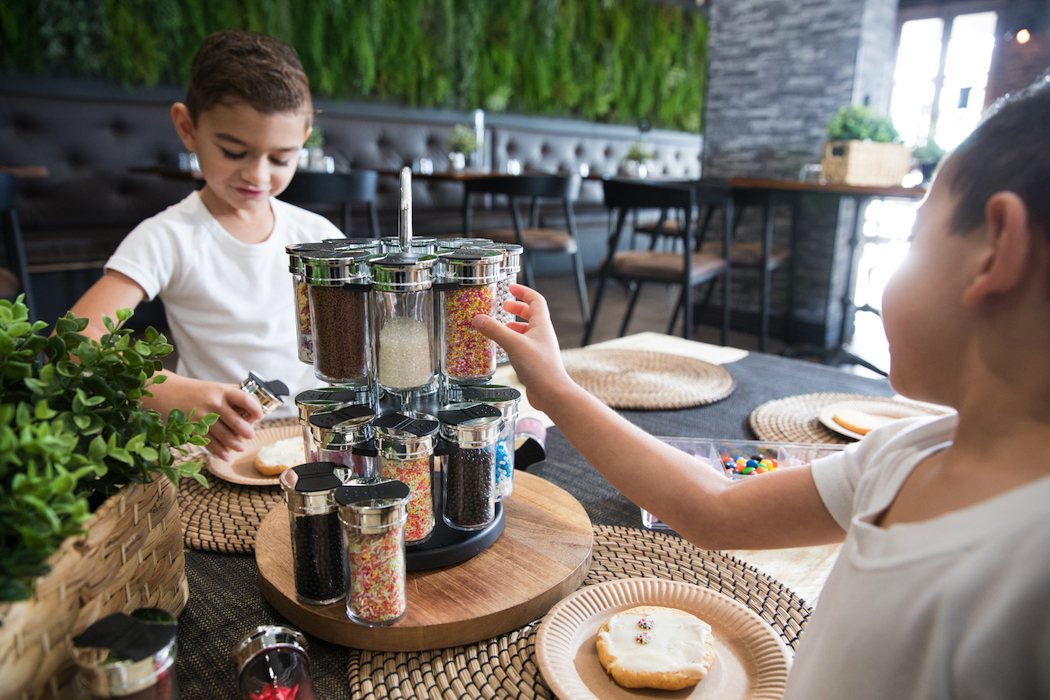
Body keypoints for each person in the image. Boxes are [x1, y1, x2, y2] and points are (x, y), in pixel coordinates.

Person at [474, 77, 1050, 698]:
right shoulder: (903, 455)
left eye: (914, 239)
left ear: (997, 250)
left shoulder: (1027, 574)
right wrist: (556, 388)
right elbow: (716, 509)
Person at [71, 30, 340, 460]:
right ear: (187, 128)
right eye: (234, 151)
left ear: (305, 135)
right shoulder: (168, 236)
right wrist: (165, 392)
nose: (257, 175)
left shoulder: (316, 234)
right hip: (215, 448)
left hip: (314, 443)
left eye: (281, 158)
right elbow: (74, 343)